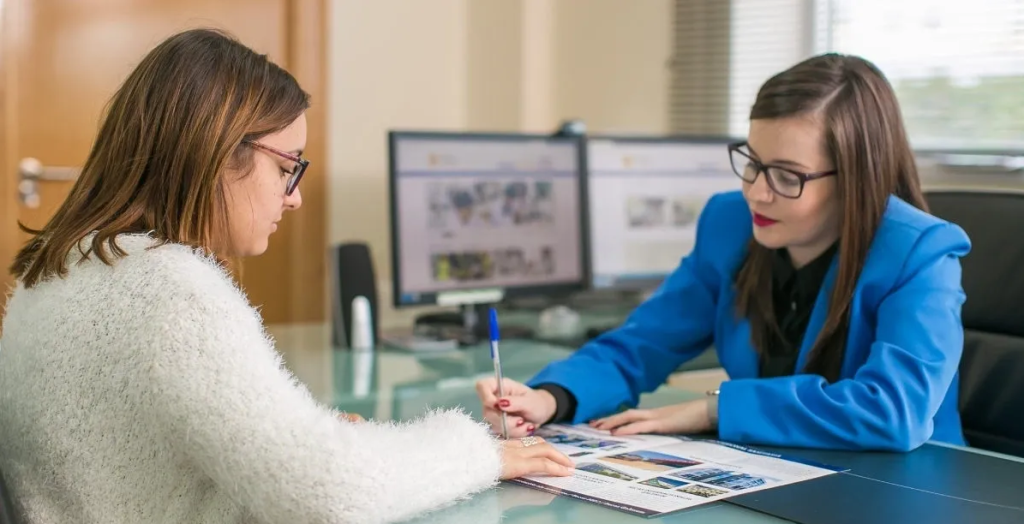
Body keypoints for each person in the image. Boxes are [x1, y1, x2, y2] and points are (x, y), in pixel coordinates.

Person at [0, 29, 572, 524]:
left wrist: (316, 438)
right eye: (287, 167)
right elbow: (328, 492)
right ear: (219, 151)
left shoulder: (65, 261)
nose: (293, 198)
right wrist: (481, 453)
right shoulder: (171, 292)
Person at [477, 53, 971, 453]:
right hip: (774, 470)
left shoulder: (920, 253)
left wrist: (714, 409)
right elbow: (641, 343)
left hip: (902, 490)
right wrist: (549, 397)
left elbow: (894, 412)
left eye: (786, 175)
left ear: (857, 179)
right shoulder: (728, 223)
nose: (756, 192)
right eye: (752, 163)